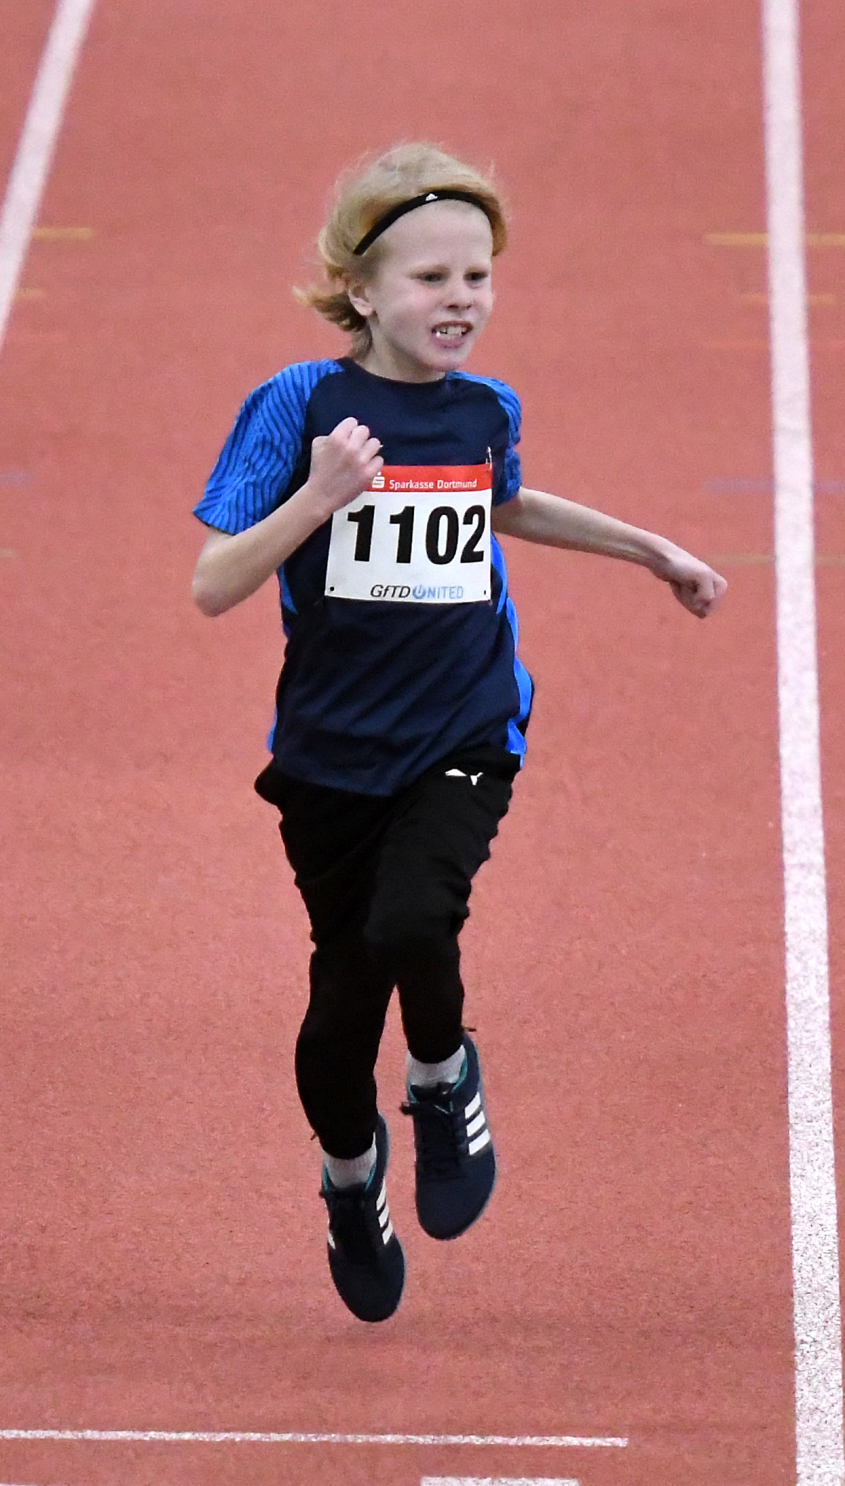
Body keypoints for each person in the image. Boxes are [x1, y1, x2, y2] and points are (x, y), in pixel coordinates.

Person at [191, 143, 726, 1324]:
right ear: (362, 290)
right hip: (331, 757)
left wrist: (655, 551)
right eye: (432, 278)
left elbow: (505, 501)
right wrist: (319, 496)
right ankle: (350, 1181)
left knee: (415, 917)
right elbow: (213, 583)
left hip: (464, 725)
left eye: (477, 276)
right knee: (339, 1022)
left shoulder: (486, 410)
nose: (462, 300)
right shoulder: (298, 406)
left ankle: (441, 1077)